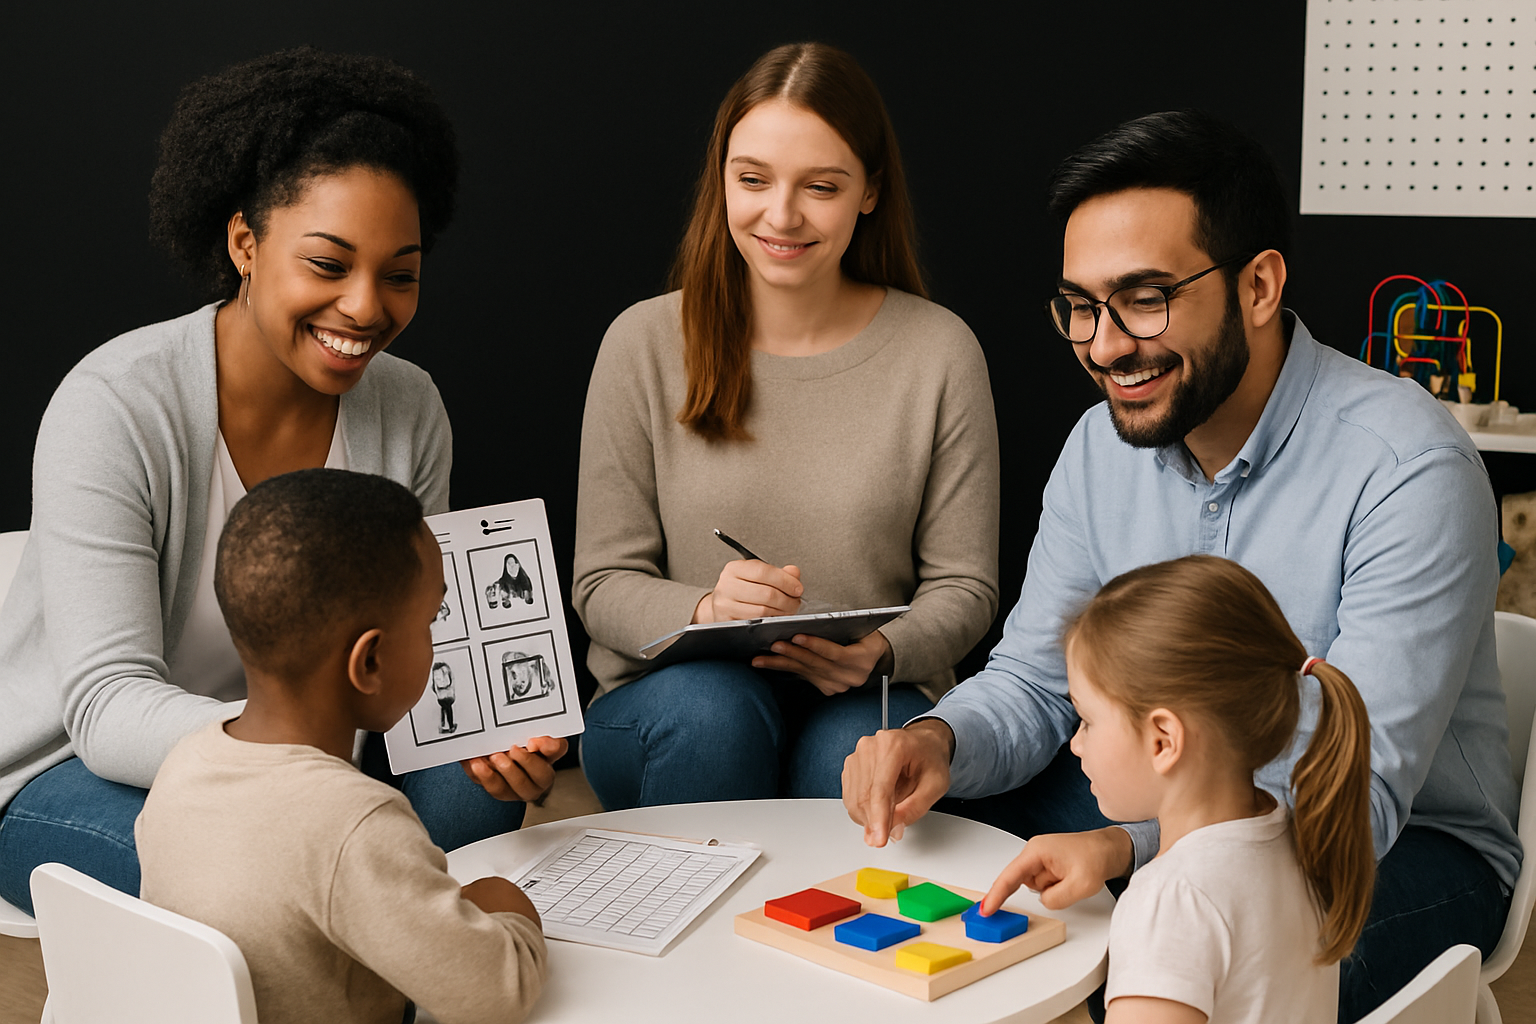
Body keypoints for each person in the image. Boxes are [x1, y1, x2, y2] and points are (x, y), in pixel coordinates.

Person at [841, 110, 1520, 1021]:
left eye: (1146, 297)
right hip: (1173, 801)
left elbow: (1350, 800)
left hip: (1398, 850)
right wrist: (940, 740)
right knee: (944, 884)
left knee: (1187, 957)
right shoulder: (1098, 449)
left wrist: (1127, 848)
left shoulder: (1408, 469)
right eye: (1081, 306)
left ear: (1260, 286)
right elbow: (1039, 683)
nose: (1107, 345)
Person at [0, 48, 565, 916]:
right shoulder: (113, 406)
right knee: (274, 887)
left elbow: (413, 646)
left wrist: (486, 729)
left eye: (401, 274)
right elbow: (108, 709)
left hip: (320, 761)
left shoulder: (409, 409)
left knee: (474, 795)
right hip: (78, 771)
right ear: (245, 244)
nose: (368, 308)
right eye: (329, 266)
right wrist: (299, 757)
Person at [573, 41, 1000, 807]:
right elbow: (602, 582)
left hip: (870, 692)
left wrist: (879, 651)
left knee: (856, 748)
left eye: (821, 186)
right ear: (722, 181)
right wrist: (706, 611)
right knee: (714, 716)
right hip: (672, 702)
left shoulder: (940, 350)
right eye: (753, 180)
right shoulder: (640, 343)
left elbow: (964, 587)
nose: (782, 215)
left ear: (869, 191)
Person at [137, 469, 548, 1024]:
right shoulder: (356, 823)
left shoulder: (183, 764)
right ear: (370, 661)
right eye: (430, 622)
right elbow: (500, 992)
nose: (435, 640)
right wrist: (507, 905)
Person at [980, 555, 1374, 1023]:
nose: (1076, 742)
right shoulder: (1298, 838)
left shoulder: (1169, 903)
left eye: (1086, 720)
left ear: (1163, 740)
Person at [432, 662, 458, 734]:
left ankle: (443, 726)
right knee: (448, 709)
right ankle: (450, 726)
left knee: (444, 708)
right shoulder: (444, 670)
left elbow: (434, 686)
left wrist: (437, 692)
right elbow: (449, 681)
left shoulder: (435, 672)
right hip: (448, 694)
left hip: (441, 696)